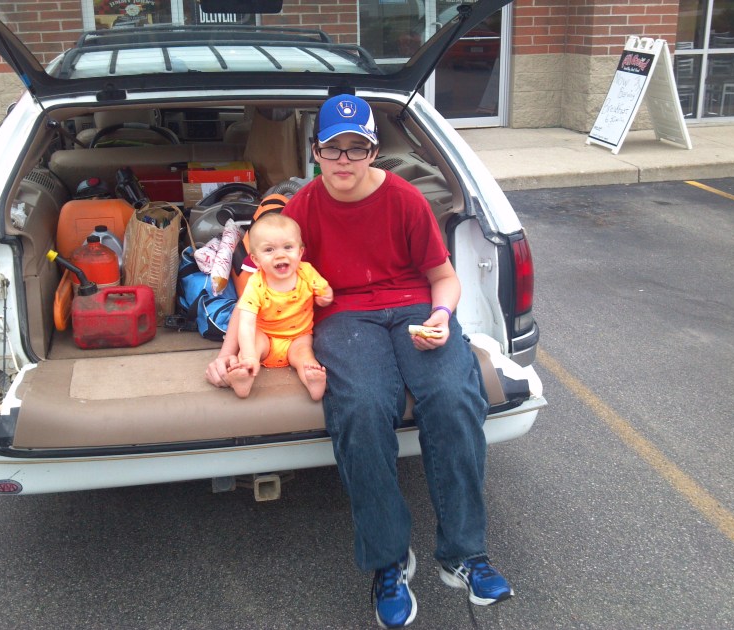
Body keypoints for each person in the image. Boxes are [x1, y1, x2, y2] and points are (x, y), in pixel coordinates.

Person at [206, 94, 512, 628]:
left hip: (416, 308)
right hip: (343, 316)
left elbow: (444, 276)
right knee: (364, 407)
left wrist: (442, 315)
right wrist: (229, 353)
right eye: (333, 149)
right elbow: (255, 286)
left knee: (455, 396)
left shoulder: (405, 200)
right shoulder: (299, 210)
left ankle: (463, 554)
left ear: (373, 151)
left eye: (357, 148)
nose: (344, 160)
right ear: (315, 152)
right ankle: (390, 560)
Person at [226, 212, 333, 400]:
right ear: (256, 260)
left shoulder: (307, 273)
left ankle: (313, 382)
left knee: (305, 356)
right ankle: (245, 376)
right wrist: (250, 355)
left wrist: (325, 297)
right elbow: (246, 324)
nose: (280, 254)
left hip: (297, 337)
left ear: (300, 252)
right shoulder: (256, 284)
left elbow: (325, 291)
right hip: (265, 335)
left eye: (288, 247)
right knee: (251, 346)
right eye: (269, 250)